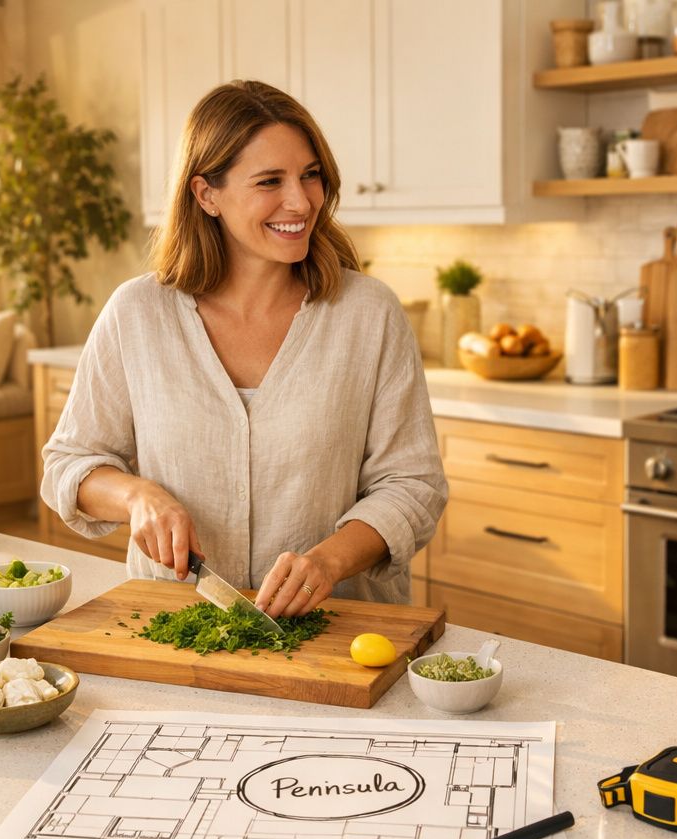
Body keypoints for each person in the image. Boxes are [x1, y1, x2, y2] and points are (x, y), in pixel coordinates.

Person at [42, 81, 446, 616]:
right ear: (207, 194)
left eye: (310, 175)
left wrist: (326, 562)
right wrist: (137, 496)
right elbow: (69, 464)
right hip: (177, 626)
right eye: (269, 181)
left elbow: (412, 484)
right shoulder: (137, 314)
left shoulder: (369, 314)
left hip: (339, 633)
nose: (300, 201)